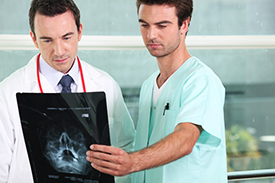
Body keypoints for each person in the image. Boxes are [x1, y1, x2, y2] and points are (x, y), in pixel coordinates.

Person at [86, 0, 228, 182]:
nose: (151, 34)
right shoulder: (148, 86)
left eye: (162, 25)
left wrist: (132, 161)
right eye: (144, 25)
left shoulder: (201, 80)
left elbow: (186, 138)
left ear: (183, 25)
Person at [0, 0, 135, 183]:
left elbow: (126, 148)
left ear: (80, 32)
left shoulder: (106, 85)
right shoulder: (7, 92)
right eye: (47, 40)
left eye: (66, 37)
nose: (59, 51)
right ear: (33, 38)